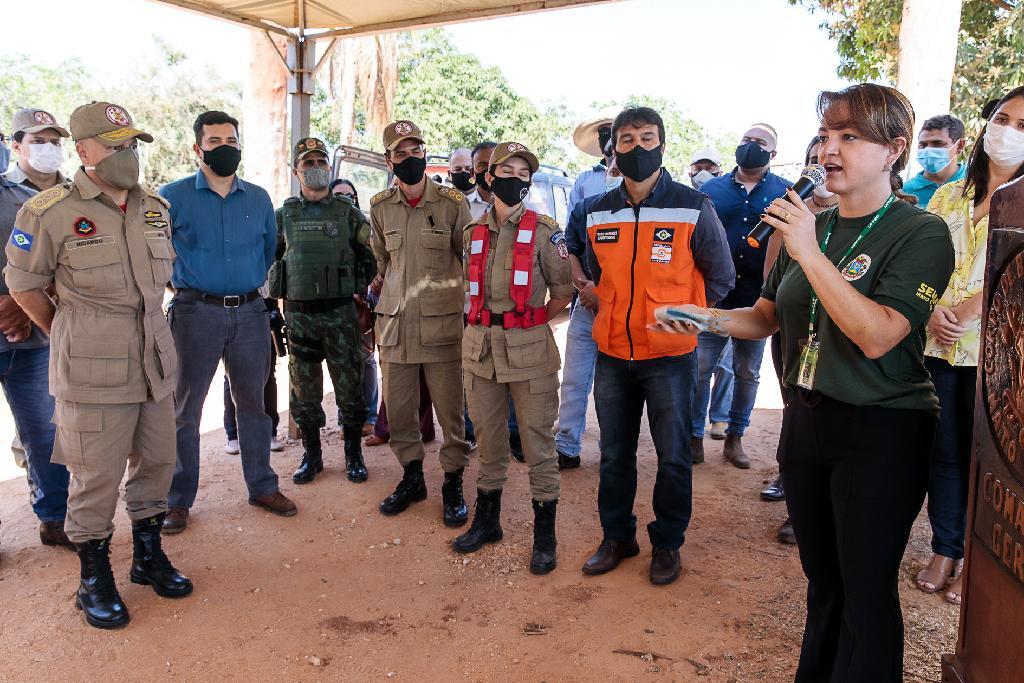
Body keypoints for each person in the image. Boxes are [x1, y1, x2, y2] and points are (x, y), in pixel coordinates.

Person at [664, 84, 955, 681]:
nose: (830, 149)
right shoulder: (812, 230)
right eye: (826, 135)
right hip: (807, 422)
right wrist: (703, 316)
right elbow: (766, 316)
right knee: (824, 582)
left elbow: (877, 334)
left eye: (851, 137)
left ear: (894, 150)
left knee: (866, 589)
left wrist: (804, 247)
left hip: (883, 426)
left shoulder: (920, 233)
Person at [5, 101, 193, 628]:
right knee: (96, 476)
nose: (126, 155)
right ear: (84, 150)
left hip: (154, 357)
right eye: (114, 146)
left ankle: (147, 557)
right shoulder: (48, 211)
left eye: (132, 144)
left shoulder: (154, 206)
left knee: (157, 462)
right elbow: (23, 285)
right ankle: (93, 579)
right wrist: (65, 331)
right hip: (92, 365)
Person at [575, 106, 734, 586]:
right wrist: (605, 307)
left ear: (663, 144)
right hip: (612, 355)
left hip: (669, 358)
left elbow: (722, 279)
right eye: (627, 140)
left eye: (647, 138)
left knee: (673, 455)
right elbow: (593, 273)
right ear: (614, 149)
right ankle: (617, 537)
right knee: (615, 454)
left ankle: (667, 543)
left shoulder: (693, 205)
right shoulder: (596, 210)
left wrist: (674, 321)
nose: (637, 148)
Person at [160, 110, 295, 534]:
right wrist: (186, 290)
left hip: (251, 314)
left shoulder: (258, 198)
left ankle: (261, 485)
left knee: (253, 404)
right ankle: (177, 500)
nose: (224, 148)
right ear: (197, 148)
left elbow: (270, 250)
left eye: (231, 141)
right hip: (193, 313)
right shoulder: (171, 197)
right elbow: (157, 253)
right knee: (186, 410)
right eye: (215, 142)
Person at [916, 87, 1024, 606]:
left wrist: (973, 308)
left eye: (1023, 125)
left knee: (992, 462)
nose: (1007, 131)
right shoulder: (947, 196)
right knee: (946, 452)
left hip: (1000, 356)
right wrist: (933, 306)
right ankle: (945, 548)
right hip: (938, 346)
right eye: (1003, 118)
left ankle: (981, 562)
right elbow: (925, 261)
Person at [453, 142, 573, 574]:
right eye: (509, 170)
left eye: (525, 173)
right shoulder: (472, 233)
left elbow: (563, 290)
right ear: (489, 176)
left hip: (529, 352)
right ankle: (488, 523)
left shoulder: (545, 231)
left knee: (538, 444)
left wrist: (527, 320)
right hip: (480, 350)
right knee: (488, 441)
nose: (517, 178)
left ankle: (546, 536)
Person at [369, 120, 472, 526]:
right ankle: (413, 477)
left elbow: (469, 259)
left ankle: (452, 482)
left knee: (450, 413)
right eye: (401, 152)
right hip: (394, 327)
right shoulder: (379, 206)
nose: (411, 158)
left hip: (441, 326)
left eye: (417, 150)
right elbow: (382, 263)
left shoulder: (450, 203)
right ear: (388, 159)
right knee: (400, 412)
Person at [270, 137, 375, 485]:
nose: (316, 168)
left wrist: (352, 283)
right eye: (308, 163)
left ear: (329, 167)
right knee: (304, 389)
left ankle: (353, 456)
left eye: (321, 162)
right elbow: (270, 259)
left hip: (340, 313)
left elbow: (372, 255)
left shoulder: (346, 213)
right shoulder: (284, 215)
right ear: (296, 170)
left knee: (349, 386)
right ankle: (312, 456)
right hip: (299, 315)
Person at [690, 124, 790, 468]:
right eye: (746, 140)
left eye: (759, 143)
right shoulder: (713, 189)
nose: (750, 146)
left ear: (772, 155)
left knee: (746, 372)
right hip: (713, 297)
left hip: (758, 300)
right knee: (700, 368)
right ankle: (693, 438)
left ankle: (735, 438)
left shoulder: (788, 193)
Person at [762, 131, 836, 546]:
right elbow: (770, 287)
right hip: (793, 336)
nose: (821, 163)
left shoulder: (874, 219)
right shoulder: (789, 214)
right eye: (813, 158)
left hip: (841, 344)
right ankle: (798, 500)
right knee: (797, 413)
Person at [0, 127, 71, 550]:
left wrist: (22, 303)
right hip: (15, 317)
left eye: (55, 140)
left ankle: (54, 517)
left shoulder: (64, 194)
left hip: (31, 336)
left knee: (46, 432)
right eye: (38, 140)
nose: (49, 149)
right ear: (18, 145)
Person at [554, 158, 622, 469]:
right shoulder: (586, 208)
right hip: (585, 307)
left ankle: (614, 450)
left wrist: (603, 292)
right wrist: (585, 287)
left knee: (615, 388)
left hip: (624, 313)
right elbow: (570, 249)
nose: (616, 175)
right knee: (574, 380)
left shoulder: (647, 212)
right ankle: (566, 445)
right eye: (613, 170)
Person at [331, 178, 378, 434]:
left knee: (367, 360)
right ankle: (345, 418)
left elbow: (374, 260)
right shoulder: (325, 226)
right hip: (333, 303)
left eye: (350, 195)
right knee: (341, 362)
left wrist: (364, 291)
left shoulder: (364, 225)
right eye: (339, 195)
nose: (346, 199)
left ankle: (370, 416)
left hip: (361, 300)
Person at [223, 291, 284, 455]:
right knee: (231, 375)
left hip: (262, 309)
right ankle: (233, 435)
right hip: (232, 309)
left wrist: (273, 309)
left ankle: (270, 433)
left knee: (268, 374)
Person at [904, 114, 967, 209]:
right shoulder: (905, 192)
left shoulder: (977, 183)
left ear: (959, 146)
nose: (928, 150)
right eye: (923, 144)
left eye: (938, 143)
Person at [4, 108, 70, 192]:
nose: (49, 148)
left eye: (55, 142)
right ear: (17, 147)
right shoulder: (3, 189)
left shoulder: (76, 191)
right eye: (38, 141)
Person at [568, 112, 615, 213]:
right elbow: (572, 223)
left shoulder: (640, 178)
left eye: (616, 132)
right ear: (599, 141)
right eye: (605, 133)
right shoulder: (584, 180)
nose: (611, 139)